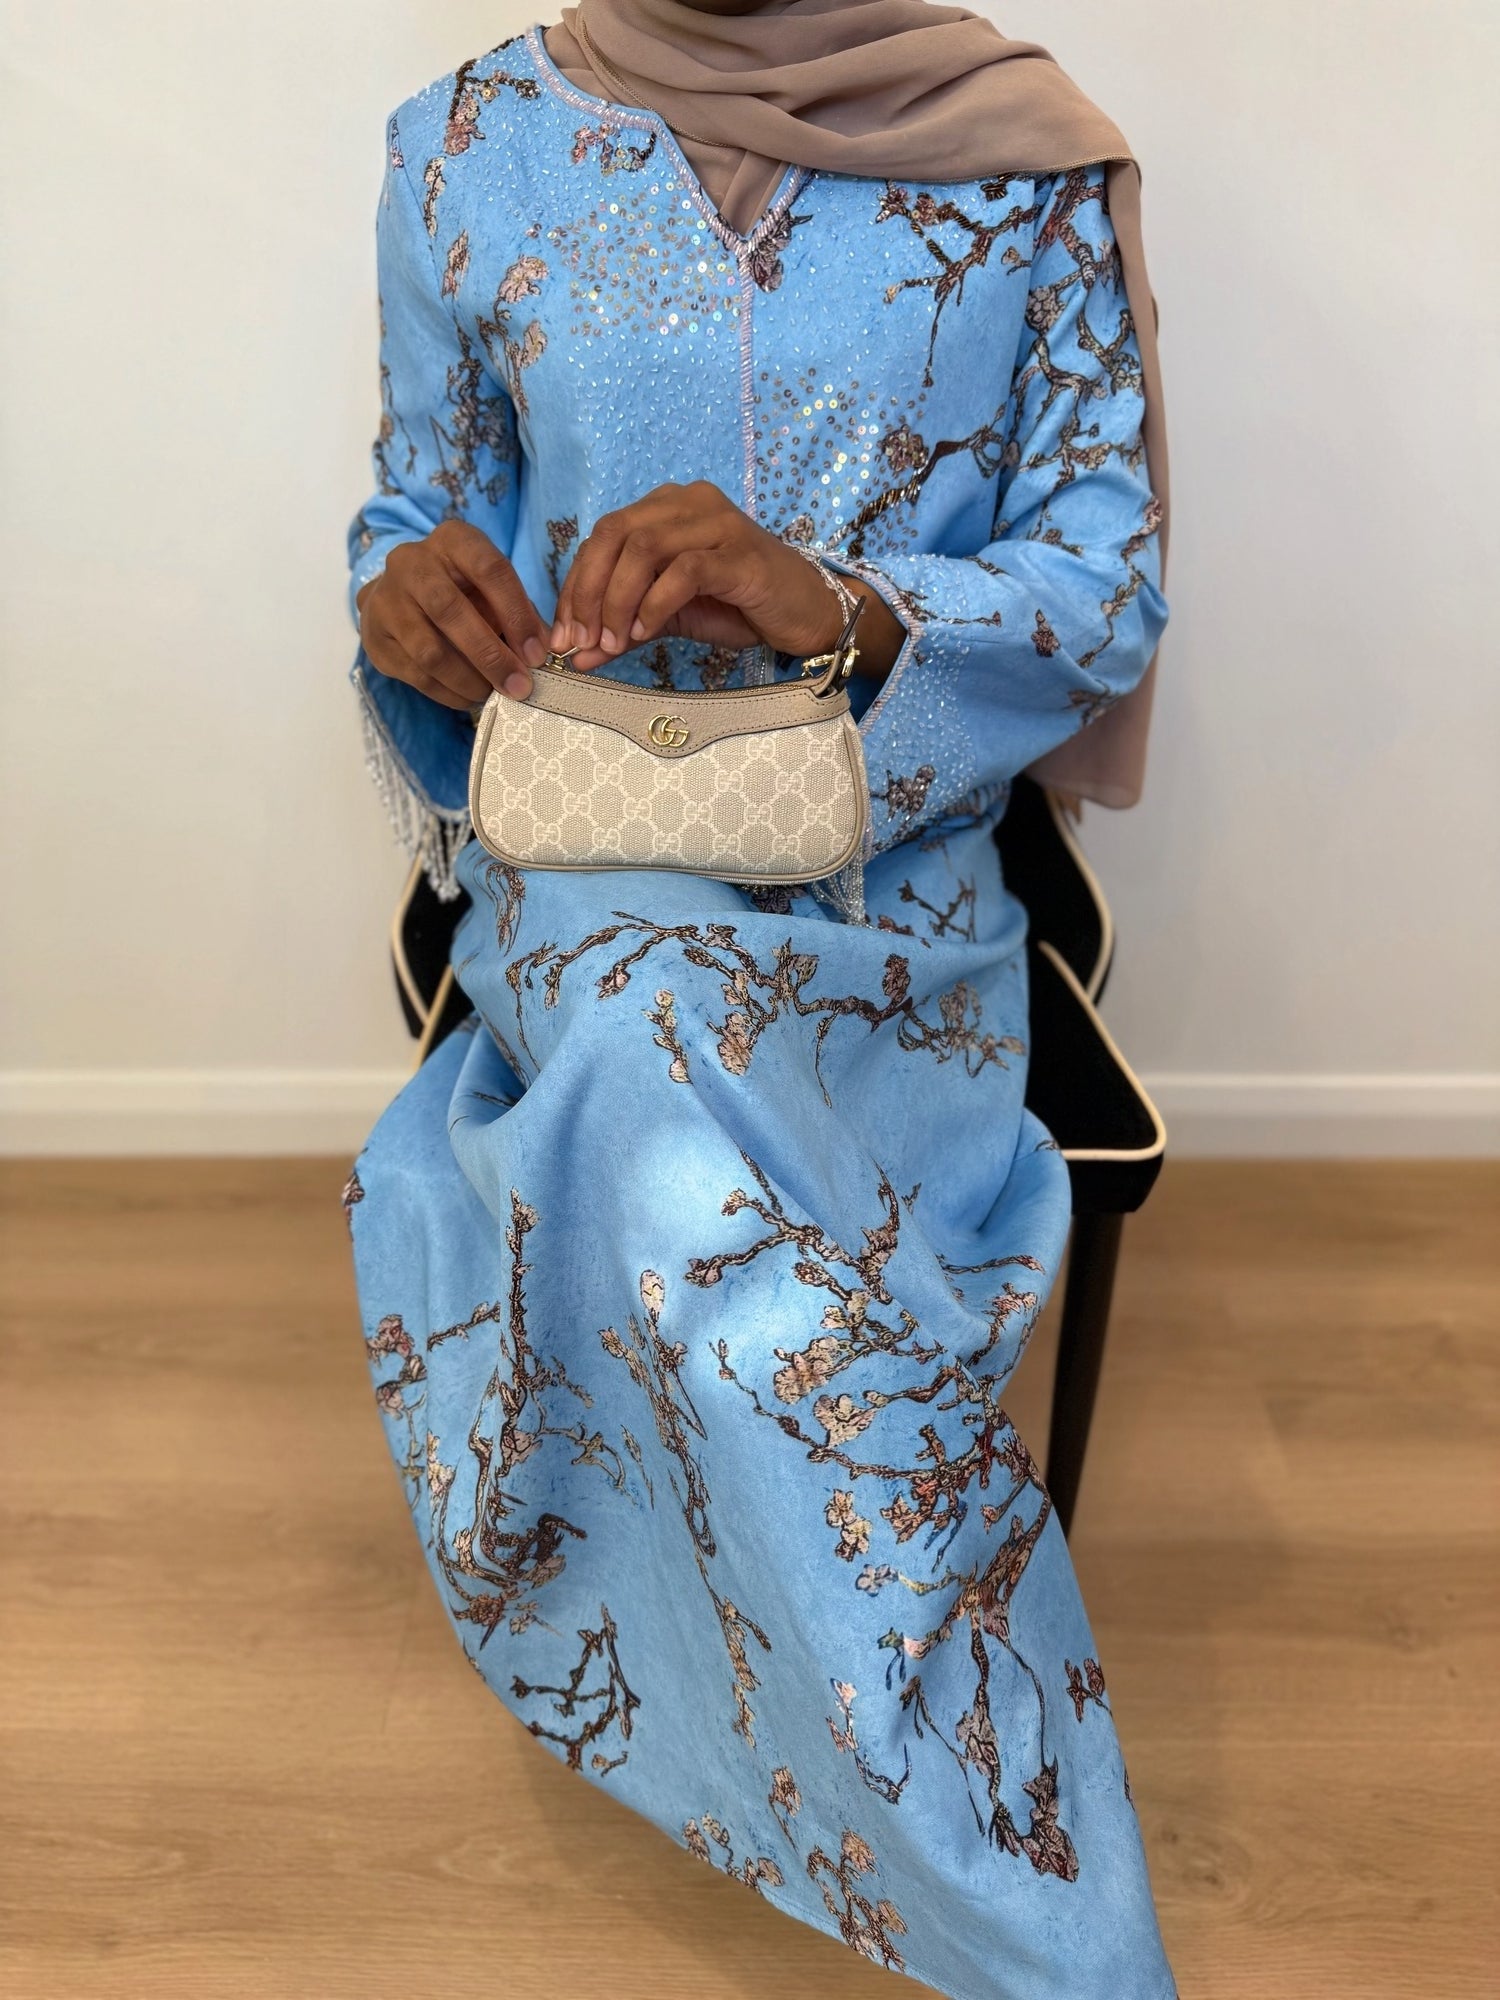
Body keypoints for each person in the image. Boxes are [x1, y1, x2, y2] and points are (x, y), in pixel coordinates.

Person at [344, 5, 1176, 1995]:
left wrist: (847, 602)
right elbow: (409, 514)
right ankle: (1026, 1906)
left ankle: (938, 1817)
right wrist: (404, 603)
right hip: (586, 850)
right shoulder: (463, 145)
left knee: (680, 1159)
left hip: (887, 880)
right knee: (651, 1061)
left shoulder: (1026, 164)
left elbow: (1110, 582)